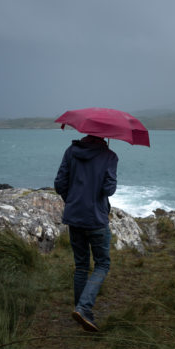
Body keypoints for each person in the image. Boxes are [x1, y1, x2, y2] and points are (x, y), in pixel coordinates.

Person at [54, 134, 118, 332]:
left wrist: (72, 200)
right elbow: (109, 189)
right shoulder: (109, 156)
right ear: (104, 135)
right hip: (96, 219)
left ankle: (82, 312)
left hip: (74, 217)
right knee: (102, 264)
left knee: (81, 266)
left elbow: (59, 185)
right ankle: (84, 308)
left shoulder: (71, 152)